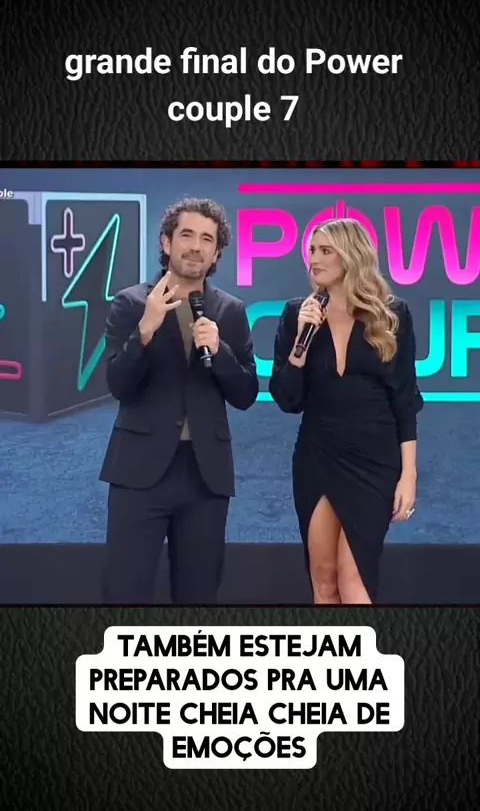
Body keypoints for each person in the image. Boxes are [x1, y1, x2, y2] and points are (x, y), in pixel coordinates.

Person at [99, 197, 259, 604]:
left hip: (205, 476)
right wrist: (145, 332)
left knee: (198, 595)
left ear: (217, 253)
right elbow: (118, 384)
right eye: (187, 235)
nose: (196, 246)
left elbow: (246, 394)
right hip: (139, 471)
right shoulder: (132, 303)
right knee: (125, 591)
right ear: (167, 243)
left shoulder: (230, 311)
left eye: (207, 239)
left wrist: (220, 352)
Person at [269, 218, 423, 605]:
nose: (314, 259)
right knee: (324, 580)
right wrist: (301, 344)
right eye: (312, 250)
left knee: (354, 581)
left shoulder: (391, 314)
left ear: (351, 256)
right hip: (317, 456)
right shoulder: (296, 314)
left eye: (326, 251)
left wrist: (408, 475)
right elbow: (287, 399)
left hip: (374, 460)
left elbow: (405, 399)